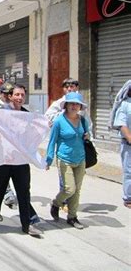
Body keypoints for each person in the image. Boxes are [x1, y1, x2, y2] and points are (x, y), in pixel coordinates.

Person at [0, 85, 43, 237]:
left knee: (24, 191)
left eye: (22, 95)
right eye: (17, 94)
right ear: (10, 96)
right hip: (4, 159)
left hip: (20, 160)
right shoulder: (2, 112)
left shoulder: (26, 114)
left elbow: (32, 134)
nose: (19, 98)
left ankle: (27, 224)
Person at [47, 92, 89, 229]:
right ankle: (56, 203)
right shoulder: (59, 121)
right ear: (66, 105)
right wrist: (48, 159)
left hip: (81, 159)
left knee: (77, 191)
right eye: (71, 103)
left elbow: (87, 135)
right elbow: (52, 141)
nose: (74, 106)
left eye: (77, 104)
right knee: (69, 189)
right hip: (64, 159)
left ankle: (72, 217)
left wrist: (88, 136)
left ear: (80, 107)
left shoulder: (83, 120)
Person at [112, 81, 131, 208]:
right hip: (128, 144)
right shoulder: (125, 105)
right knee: (129, 172)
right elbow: (122, 124)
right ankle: (128, 198)